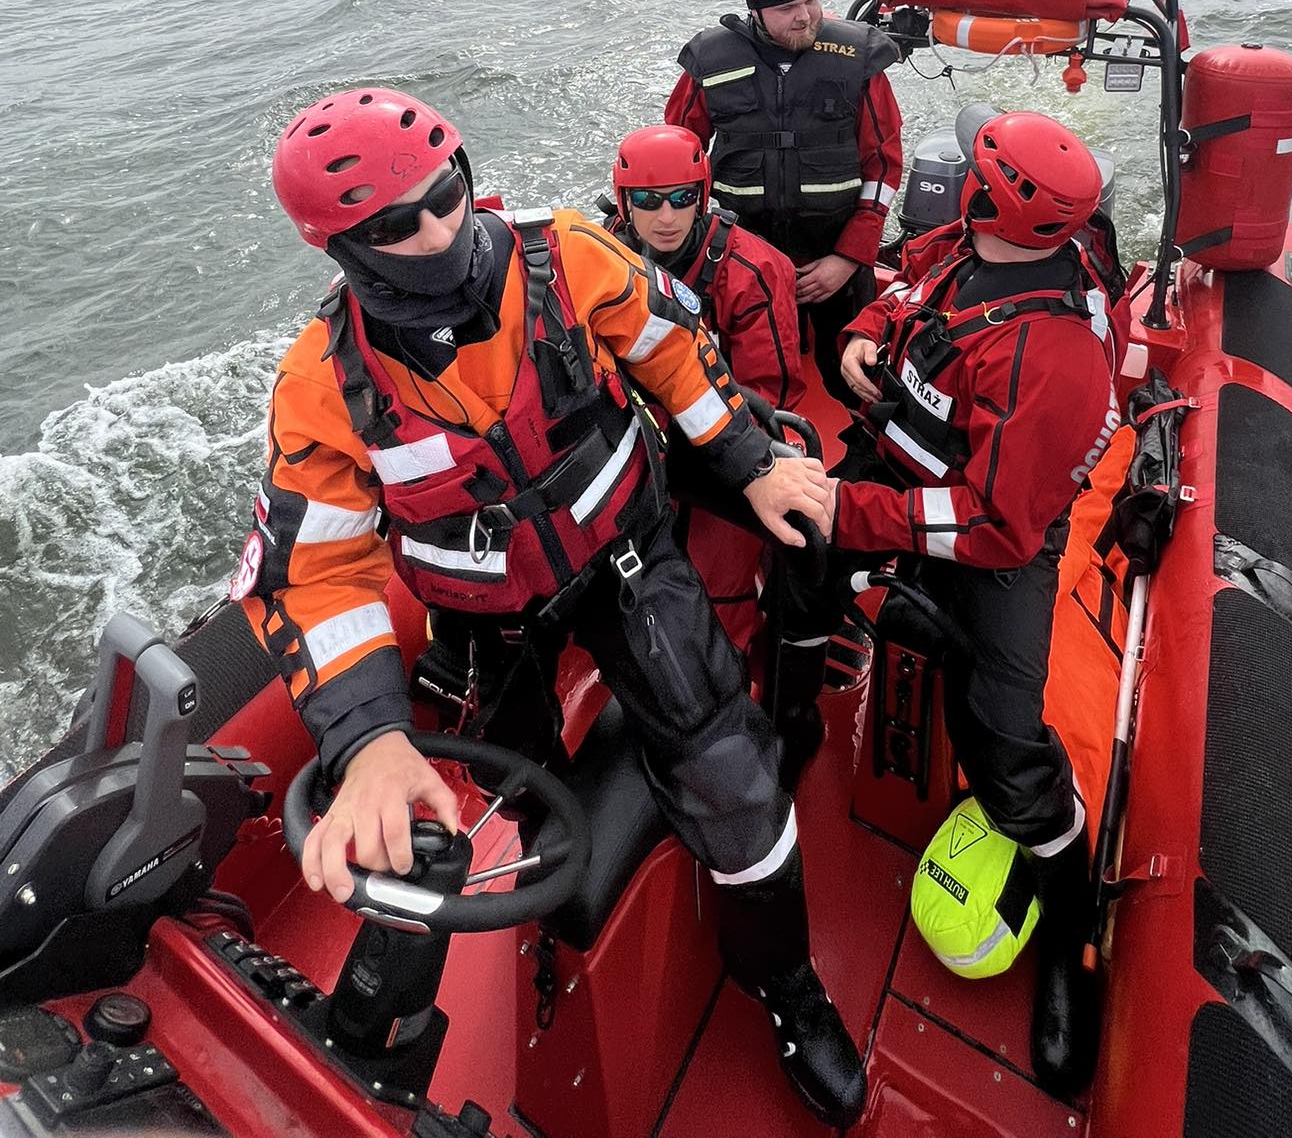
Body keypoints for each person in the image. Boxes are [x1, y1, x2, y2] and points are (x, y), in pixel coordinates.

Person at [233, 87, 866, 1127]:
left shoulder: (568, 255)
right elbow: (313, 574)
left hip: (628, 562)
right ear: (336, 245)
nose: (440, 231)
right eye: (396, 225)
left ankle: (788, 986)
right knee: (521, 793)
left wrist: (750, 461)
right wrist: (370, 741)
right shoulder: (325, 384)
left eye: (447, 195)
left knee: (733, 774)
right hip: (487, 623)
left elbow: (671, 350)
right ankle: (550, 929)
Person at [785, 109, 1122, 1097]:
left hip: (991, 537)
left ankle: (1070, 928)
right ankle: (794, 715)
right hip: (902, 463)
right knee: (798, 558)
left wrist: (856, 511)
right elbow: (907, 280)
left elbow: (997, 526)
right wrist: (865, 331)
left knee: (1001, 736)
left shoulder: (1054, 355)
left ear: (991, 195)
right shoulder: (962, 245)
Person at [666, 0, 903, 401]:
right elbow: (676, 157)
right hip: (741, 264)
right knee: (744, 383)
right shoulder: (709, 61)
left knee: (855, 383)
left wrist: (848, 258)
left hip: (834, 260)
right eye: (786, 8)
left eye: (811, 0)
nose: (804, 17)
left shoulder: (857, 60)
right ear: (753, 7)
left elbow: (883, 168)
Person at [609, 123, 806, 656]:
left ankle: (727, 660)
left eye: (681, 198)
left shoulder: (751, 271)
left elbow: (770, 395)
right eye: (648, 200)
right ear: (624, 203)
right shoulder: (603, 261)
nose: (666, 217)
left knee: (716, 574)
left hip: (725, 440)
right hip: (634, 436)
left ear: (702, 195)